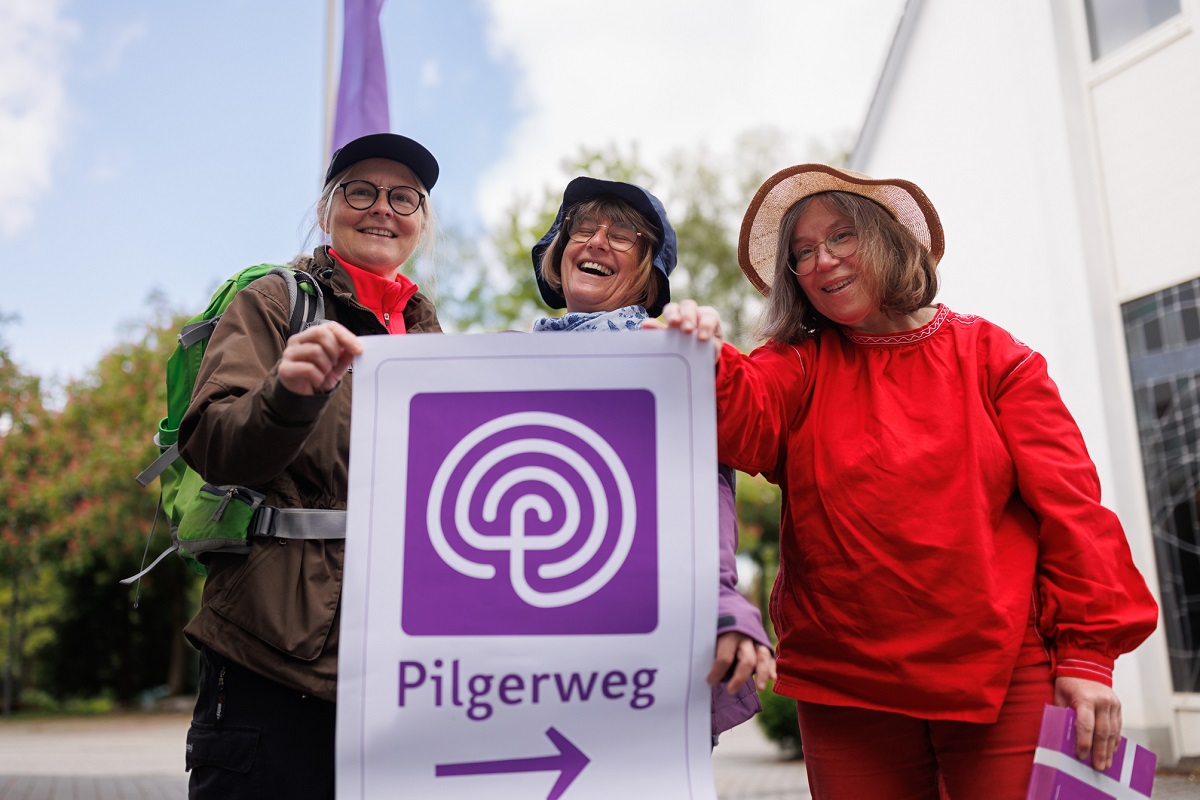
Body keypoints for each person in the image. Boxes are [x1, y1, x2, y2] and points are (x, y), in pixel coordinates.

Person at [655, 163, 1159, 798]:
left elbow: (1074, 511)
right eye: (802, 253)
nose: (822, 261)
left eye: (841, 236)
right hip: (845, 687)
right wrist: (690, 347)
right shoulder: (798, 366)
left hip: (1004, 674)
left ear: (887, 241)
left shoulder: (994, 356)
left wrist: (1088, 656)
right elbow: (742, 410)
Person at [177, 133, 442, 798]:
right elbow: (212, 441)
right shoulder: (274, 302)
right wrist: (287, 395)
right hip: (270, 663)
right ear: (327, 210)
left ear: (420, 223)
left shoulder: (428, 334)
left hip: (392, 670)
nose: (382, 208)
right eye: (361, 191)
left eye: (403, 197)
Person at [530, 176, 777, 744]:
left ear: (648, 277)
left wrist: (720, 604)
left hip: (645, 647)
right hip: (538, 657)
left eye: (623, 236)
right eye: (583, 229)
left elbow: (699, 493)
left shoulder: (670, 359)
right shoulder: (509, 367)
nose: (596, 242)